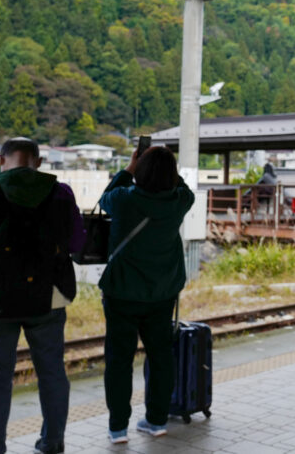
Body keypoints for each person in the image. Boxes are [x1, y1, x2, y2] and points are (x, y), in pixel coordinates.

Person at [0, 137, 85, 454]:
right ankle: (52, 442)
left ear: (1, 160)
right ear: (38, 162)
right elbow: (77, 243)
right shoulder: (60, 193)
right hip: (48, 299)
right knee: (52, 372)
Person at [99, 144, 195, 443]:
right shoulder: (179, 201)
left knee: (118, 360)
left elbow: (104, 199)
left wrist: (129, 169)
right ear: (172, 175)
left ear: (140, 170)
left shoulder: (124, 200)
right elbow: (185, 189)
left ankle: (118, 428)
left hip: (121, 293)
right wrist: (170, 172)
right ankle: (156, 421)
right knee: (161, 355)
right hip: (161, 293)